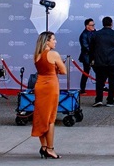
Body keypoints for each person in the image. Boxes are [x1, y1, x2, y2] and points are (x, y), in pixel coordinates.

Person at [32, 31, 66, 160]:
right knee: (51, 118)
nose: (55, 41)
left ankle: (44, 146)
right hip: (51, 86)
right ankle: (51, 149)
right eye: (53, 39)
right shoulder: (54, 54)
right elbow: (63, 71)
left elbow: (43, 68)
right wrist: (57, 66)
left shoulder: (36, 55)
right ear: (47, 41)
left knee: (41, 116)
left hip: (39, 85)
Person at [77, 18, 95, 94]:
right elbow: (85, 47)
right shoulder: (83, 35)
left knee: (99, 71)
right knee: (86, 73)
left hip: (94, 56)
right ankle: (82, 89)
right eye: (92, 25)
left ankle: (102, 86)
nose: (93, 26)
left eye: (94, 25)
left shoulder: (95, 32)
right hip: (87, 57)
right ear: (87, 26)